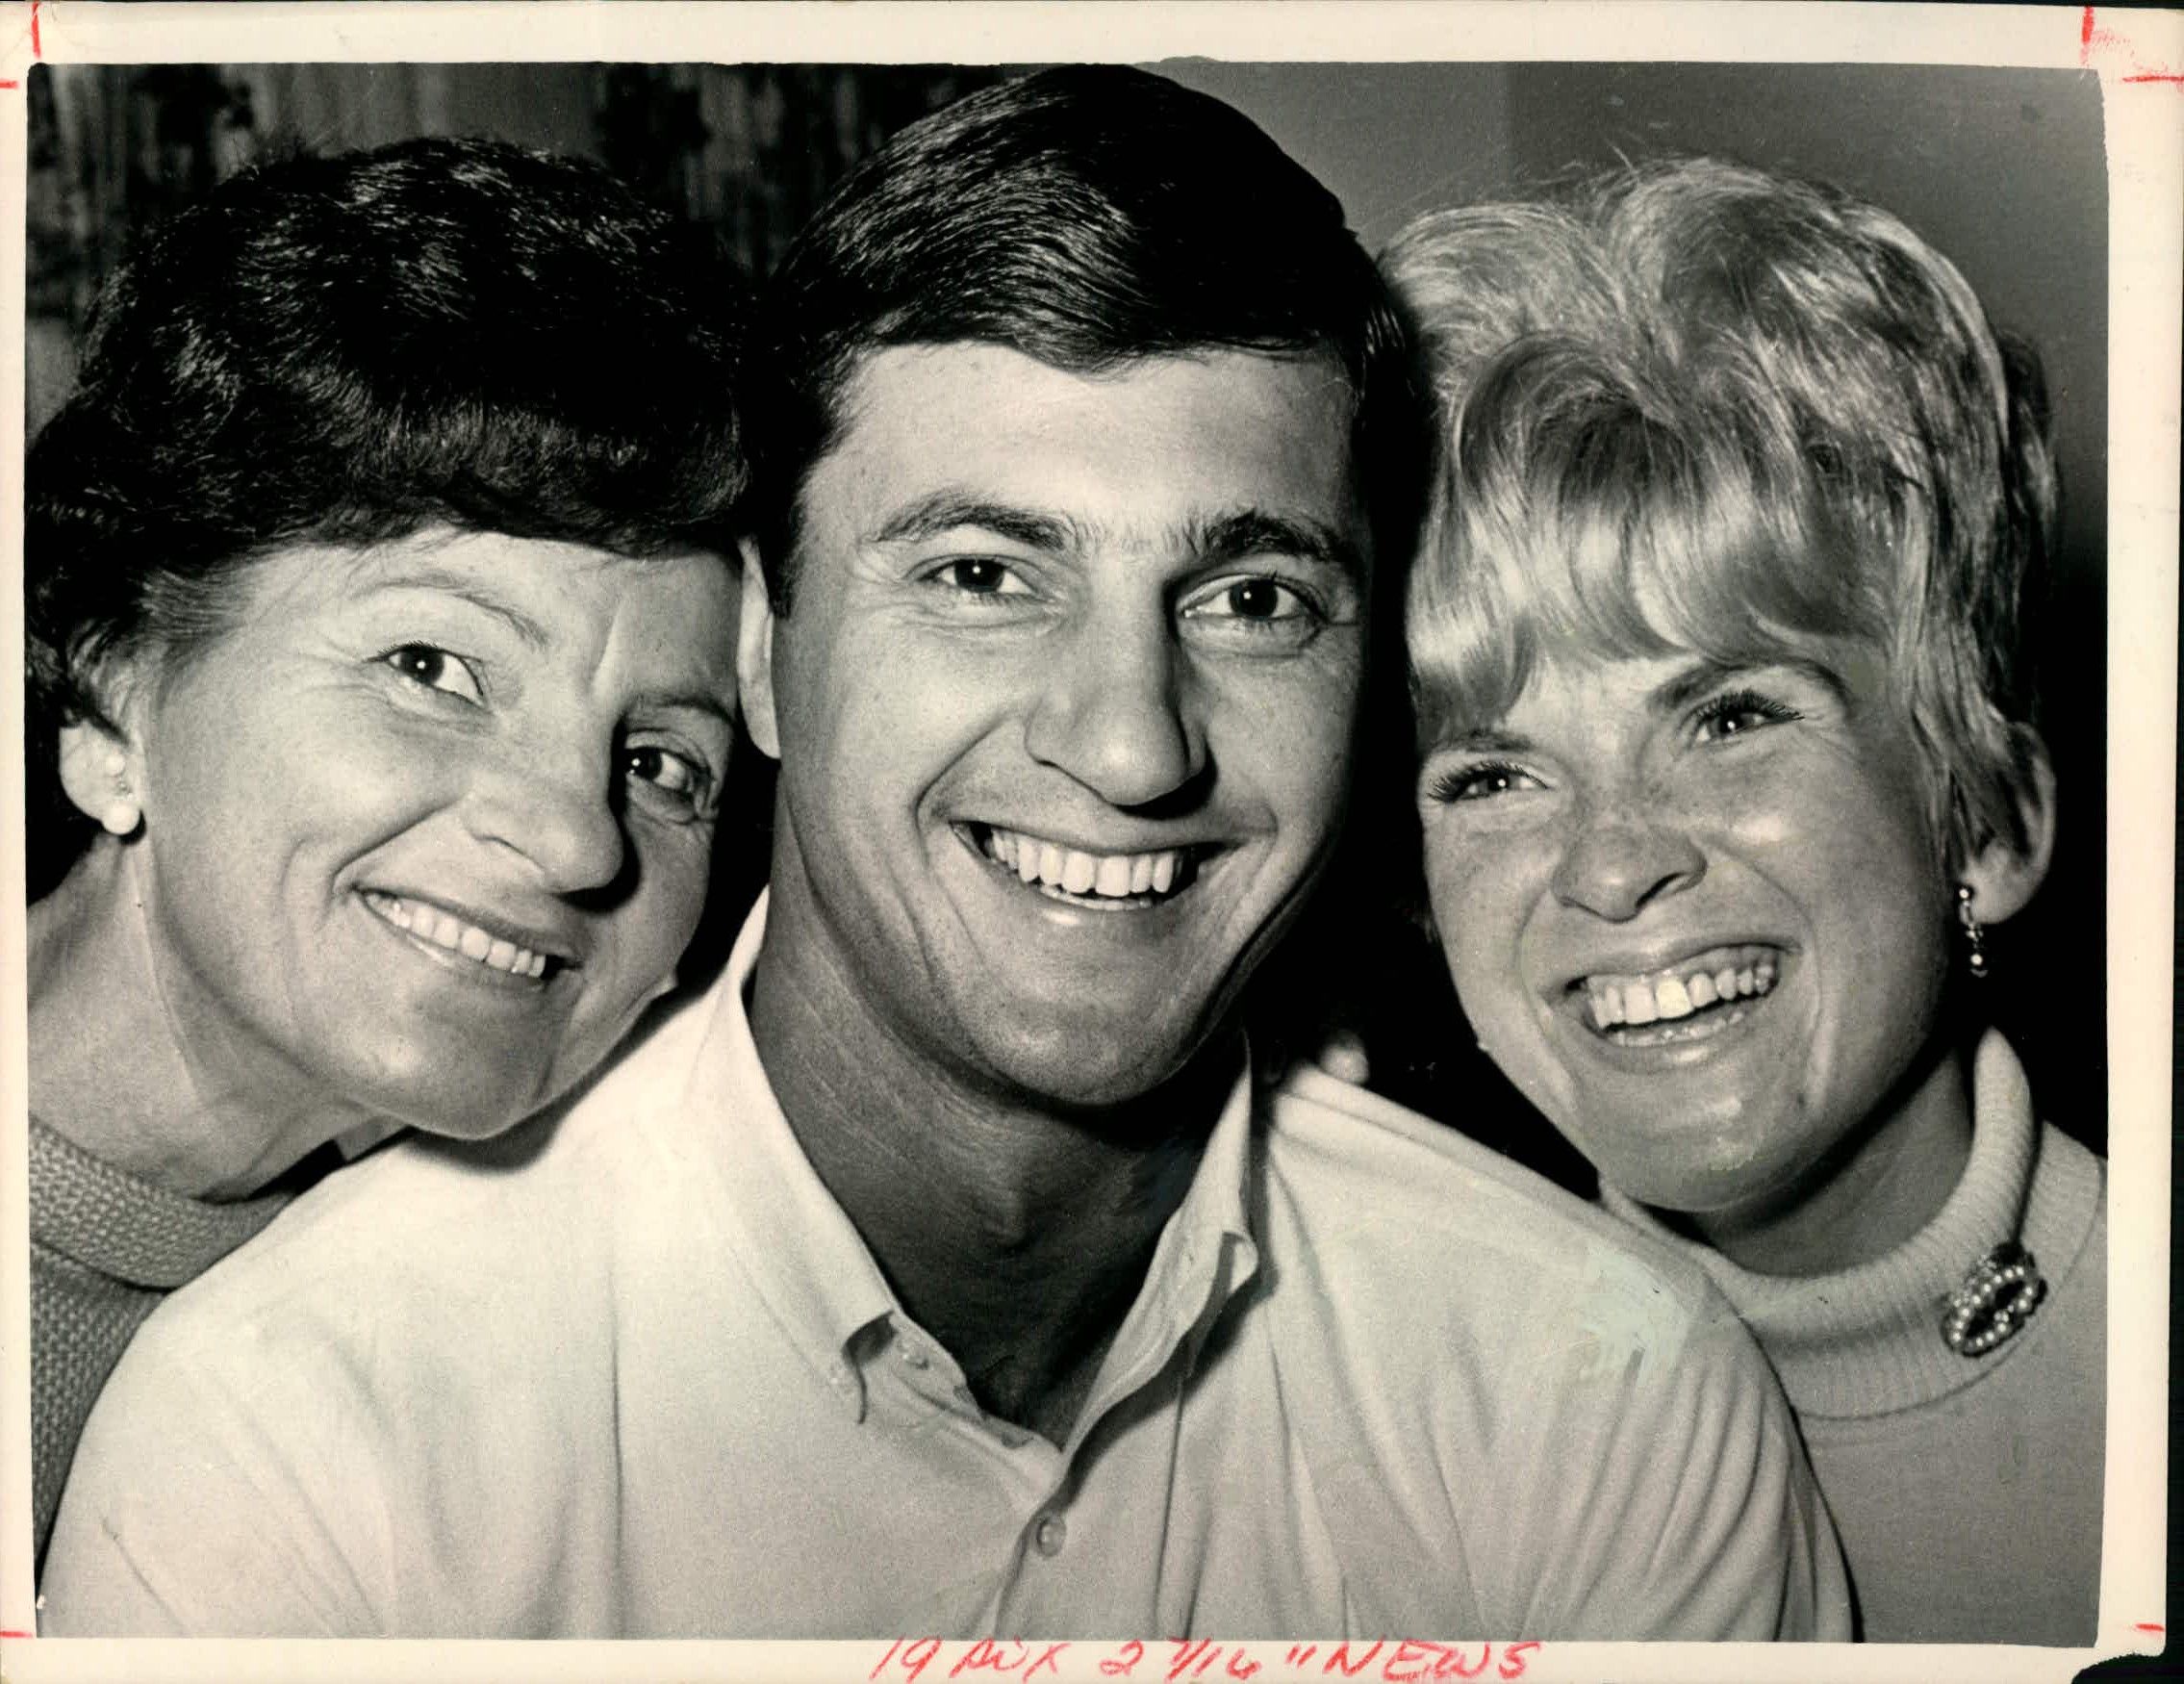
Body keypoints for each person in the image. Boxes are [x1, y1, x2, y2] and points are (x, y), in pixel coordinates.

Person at [41, 73, 1848, 1640]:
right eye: (982, 574)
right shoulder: (301, 1425)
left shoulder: (1604, 1395)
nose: (1131, 743)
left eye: (1249, 596)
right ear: (762, 637)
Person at [1386, 158, 2102, 1644]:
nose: (1606, 862)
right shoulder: (1380, 1420)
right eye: (1491, 777)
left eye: (1725, 717)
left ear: (1987, 817)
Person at [24, 137, 751, 1569]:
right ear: (114, 701)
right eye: (433, 664)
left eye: (665, 762)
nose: (570, 834)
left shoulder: (458, 1312)